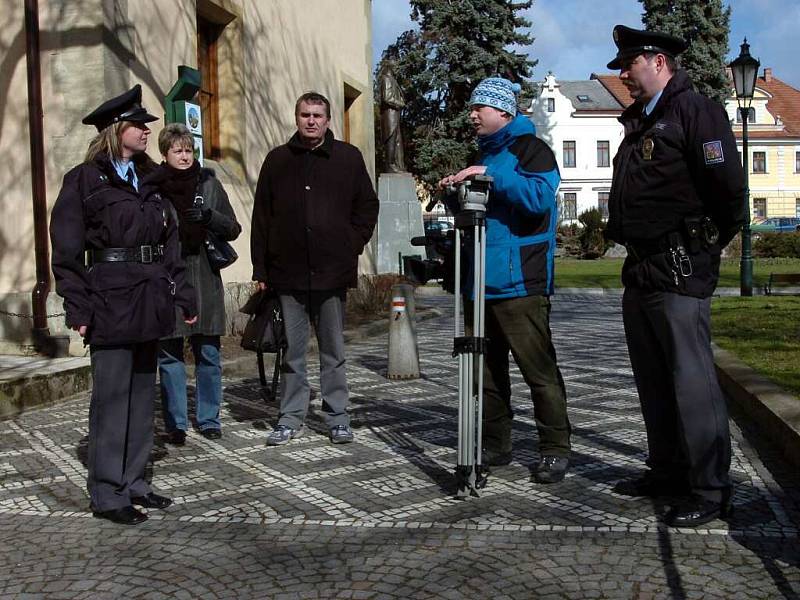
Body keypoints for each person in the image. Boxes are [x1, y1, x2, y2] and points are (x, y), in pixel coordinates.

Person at [605, 25, 747, 527]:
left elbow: (729, 192)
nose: (622, 73)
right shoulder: (642, 119)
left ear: (658, 61)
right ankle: (667, 470)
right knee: (653, 379)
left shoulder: (693, 110)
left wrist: (703, 246)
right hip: (641, 267)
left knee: (691, 380)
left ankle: (710, 490)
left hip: (680, 265)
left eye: (629, 64)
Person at [50, 85, 197, 525]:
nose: (147, 131)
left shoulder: (151, 181)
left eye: (146, 125)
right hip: (110, 298)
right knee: (112, 399)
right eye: (138, 125)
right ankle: (107, 491)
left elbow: (170, 243)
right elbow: (67, 249)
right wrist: (77, 306)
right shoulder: (84, 179)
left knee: (140, 395)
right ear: (115, 131)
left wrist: (183, 293)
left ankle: (134, 481)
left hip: (151, 296)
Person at [438, 77, 571, 484]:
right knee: (486, 375)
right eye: (473, 107)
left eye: (480, 107)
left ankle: (554, 449)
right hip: (478, 282)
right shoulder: (487, 153)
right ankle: (498, 443)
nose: (472, 114)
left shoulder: (532, 150)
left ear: (504, 112)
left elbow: (539, 199)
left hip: (519, 285)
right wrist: (454, 192)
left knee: (538, 372)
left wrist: (488, 177)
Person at [251, 92, 379, 446]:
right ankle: (290, 417)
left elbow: (367, 206)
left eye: (318, 115)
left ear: (327, 120)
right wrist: (260, 268)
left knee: (333, 350)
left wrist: (351, 244)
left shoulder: (348, 158)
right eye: (305, 115)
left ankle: (337, 416)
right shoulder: (277, 160)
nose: (311, 121)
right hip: (287, 273)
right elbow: (261, 216)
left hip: (331, 272)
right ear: (296, 118)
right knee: (292, 352)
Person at [154, 124, 242, 445]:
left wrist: (209, 217)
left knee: (208, 352)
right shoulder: (155, 187)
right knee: (170, 354)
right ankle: (176, 423)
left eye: (189, 150)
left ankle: (208, 419)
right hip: (168, 275)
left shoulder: (209, 183)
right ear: (164, 154)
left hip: (204, 273)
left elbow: (233, 228)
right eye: (177, 150)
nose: (184, 156)